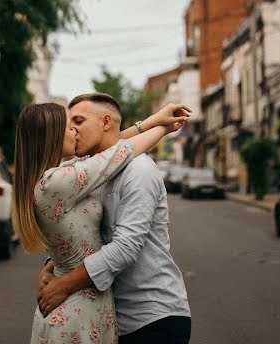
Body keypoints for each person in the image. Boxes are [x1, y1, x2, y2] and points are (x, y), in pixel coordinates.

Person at [12, 100, 188, 344]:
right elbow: (119, 152)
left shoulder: (71, 174)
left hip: (128, 312)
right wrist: (163, 127)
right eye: (68, 125)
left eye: (78, 122)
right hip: (77, 312)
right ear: (51, 137)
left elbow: (113, 149)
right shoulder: (60, 180)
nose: (74, 130)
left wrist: (153, 121)